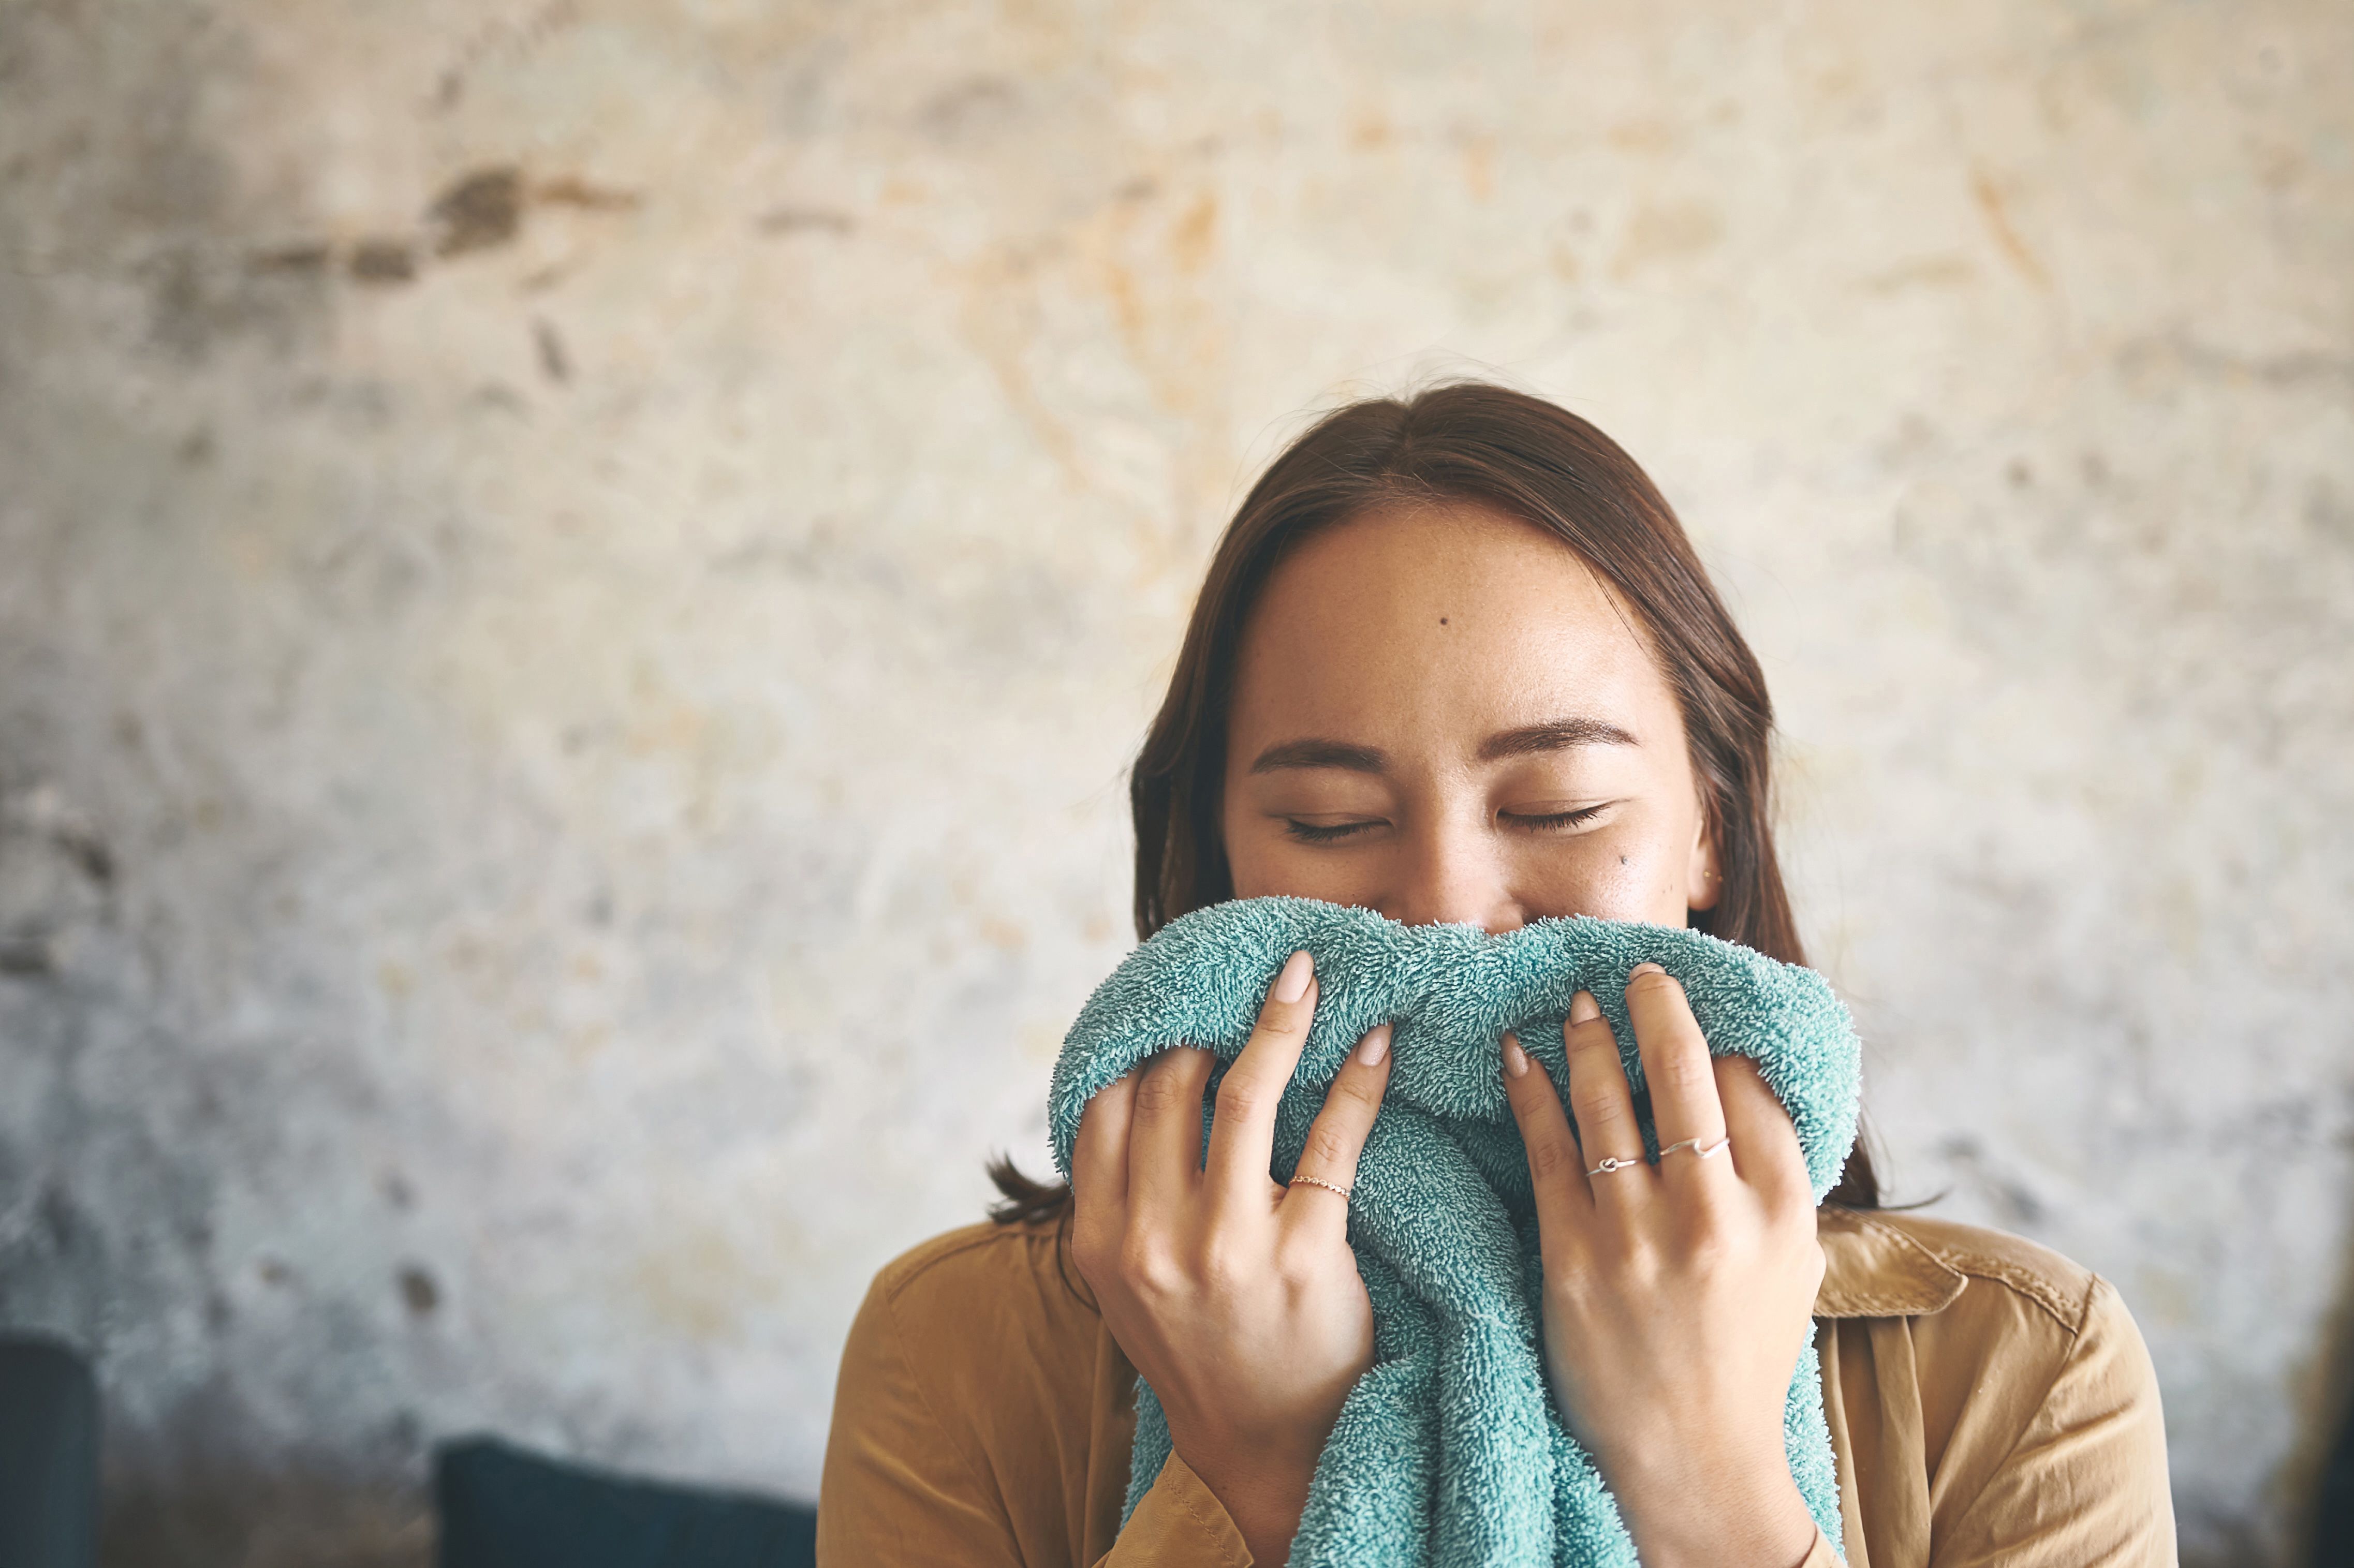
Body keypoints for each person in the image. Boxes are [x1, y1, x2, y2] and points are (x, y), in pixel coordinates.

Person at [816, 383, 2175, 1566]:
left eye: (1557, 809)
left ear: (1707, 827)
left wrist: (1707, 1483)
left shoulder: (2025, 1366)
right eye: (1332, 826)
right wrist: (1260, 1477)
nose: (1447, 914)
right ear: (1217, 858)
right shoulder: (963, 1347)